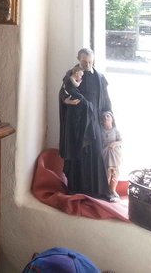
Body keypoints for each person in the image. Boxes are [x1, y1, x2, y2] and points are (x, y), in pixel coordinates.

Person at [58, 62, 112, 201]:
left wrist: (108, 116)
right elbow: (63, 92)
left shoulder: (99, 78)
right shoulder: (71, 74)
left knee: (96, 152)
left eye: (90, 61)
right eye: (84, 61)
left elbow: (105, 99)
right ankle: (75, 188)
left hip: (94, 121)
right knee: (77, 153)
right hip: (76, 123)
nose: (87, 64)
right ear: (78, 59)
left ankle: (98, 191)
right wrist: (66, 101)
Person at [100, 111, 123, 200]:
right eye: (104, 117)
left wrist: (114, 143)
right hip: (105, 154)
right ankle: (106, 191)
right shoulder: (101, 131)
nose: (106, 118)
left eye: (108, 116)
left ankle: (113, 190)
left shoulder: (116, 130)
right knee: (107, 173)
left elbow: (121, 141)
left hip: (115, 154)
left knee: (115, 172)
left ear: (112, 119)